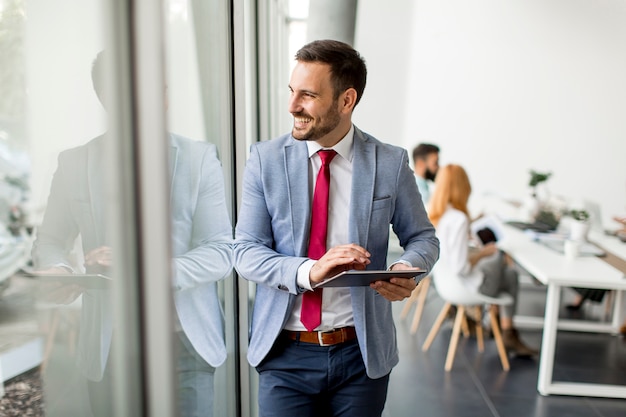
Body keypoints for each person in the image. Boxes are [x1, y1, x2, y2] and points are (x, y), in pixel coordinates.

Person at [233, 39, 439, 417]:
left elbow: (422, 237)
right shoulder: (265, 160)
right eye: (293, 92)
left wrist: (403, 270)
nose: (293, 106)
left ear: (346, 101)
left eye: (308, 95)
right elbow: (245, 251)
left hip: (360, 357)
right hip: (284, 355)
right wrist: (309, 270)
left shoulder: (389, 162)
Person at [31, 50, 233, 417]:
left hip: (185, 347)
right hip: (111, 349)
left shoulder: (199, 159)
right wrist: (61, 270)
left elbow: (220, 251)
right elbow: (50, 241)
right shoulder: (74, 163)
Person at [428, 164, 537, 357]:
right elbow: (460, 267)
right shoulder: (459, 219)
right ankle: (506, 330)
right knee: (502, 257)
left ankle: (504, 327)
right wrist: (483, 254)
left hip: (447, 284)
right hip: (468, 286)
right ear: (463, 188)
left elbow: (452, 260)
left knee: (510, 274)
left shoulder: (439, 216)